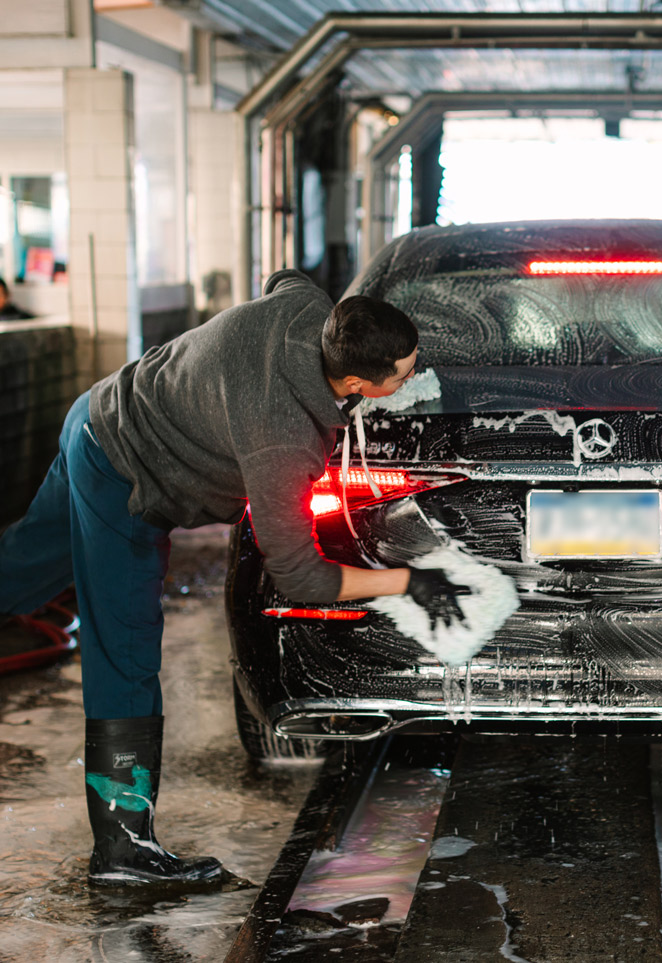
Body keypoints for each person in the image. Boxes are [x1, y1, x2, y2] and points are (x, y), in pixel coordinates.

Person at [0, 269, 468, 888]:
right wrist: (405, 583)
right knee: (127, 649)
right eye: (403, 374)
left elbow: (285, 278)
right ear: (357, 383)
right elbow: (299, 575)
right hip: (127, 477)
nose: (411, 377)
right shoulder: (283, 443)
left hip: (97, 413)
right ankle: (123, 852)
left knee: (24, 570)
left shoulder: (309, 307)